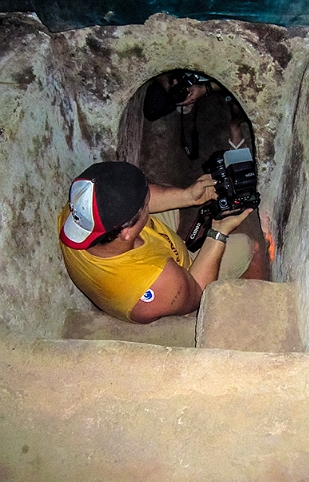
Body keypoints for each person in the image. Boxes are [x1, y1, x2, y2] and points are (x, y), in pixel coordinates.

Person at [58, 161, 254, 324]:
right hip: (182, 286)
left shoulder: (81, 211)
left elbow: (140, 199)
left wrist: (188, 196)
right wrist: (219, 231)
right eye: (144, 204)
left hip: (154, 249)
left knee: (168, 201)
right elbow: (197, 293)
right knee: (247, 247)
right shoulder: (156, 282)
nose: (149, 197)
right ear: (126, 232)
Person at [143, 70, 248, 150]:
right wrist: (170, 86)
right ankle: (186, 97)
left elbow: (243, 77)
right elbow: (151, 60)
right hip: (180, 74)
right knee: (152, 110)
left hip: (221, 77)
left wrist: (206, 88)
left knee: (244, 104)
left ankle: (235, 125)